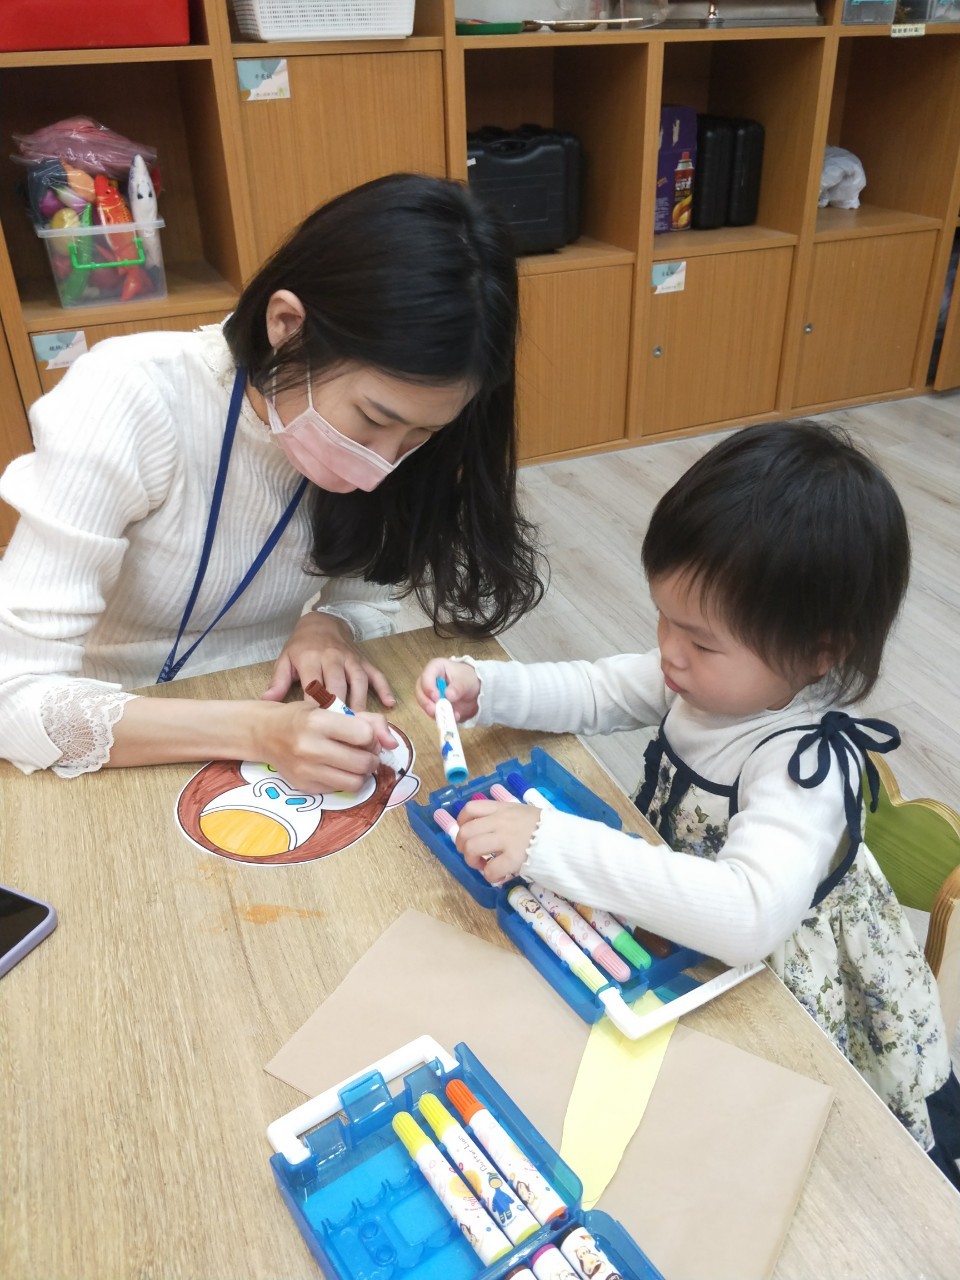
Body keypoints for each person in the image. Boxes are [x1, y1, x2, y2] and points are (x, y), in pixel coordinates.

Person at [416, 420, 960, 1186]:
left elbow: (743, 918)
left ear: (819, 653)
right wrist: (489, 687)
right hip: (684, 937)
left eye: (700, 641)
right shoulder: (712, 679)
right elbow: (601, 688)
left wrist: (551, 842)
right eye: (664, 616)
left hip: (777, 993)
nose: (669, 651)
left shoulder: (801, 767)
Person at [0, 173, 543, 789]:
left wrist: (332, 623)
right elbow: (13, 695)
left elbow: (370, 590)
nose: (384, 465)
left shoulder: (400, 439)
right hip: (109, 742)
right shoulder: (127, 399)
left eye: (419, 438)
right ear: (287, 325)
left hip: (280, 723)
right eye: (373, 419)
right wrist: (257, 731)